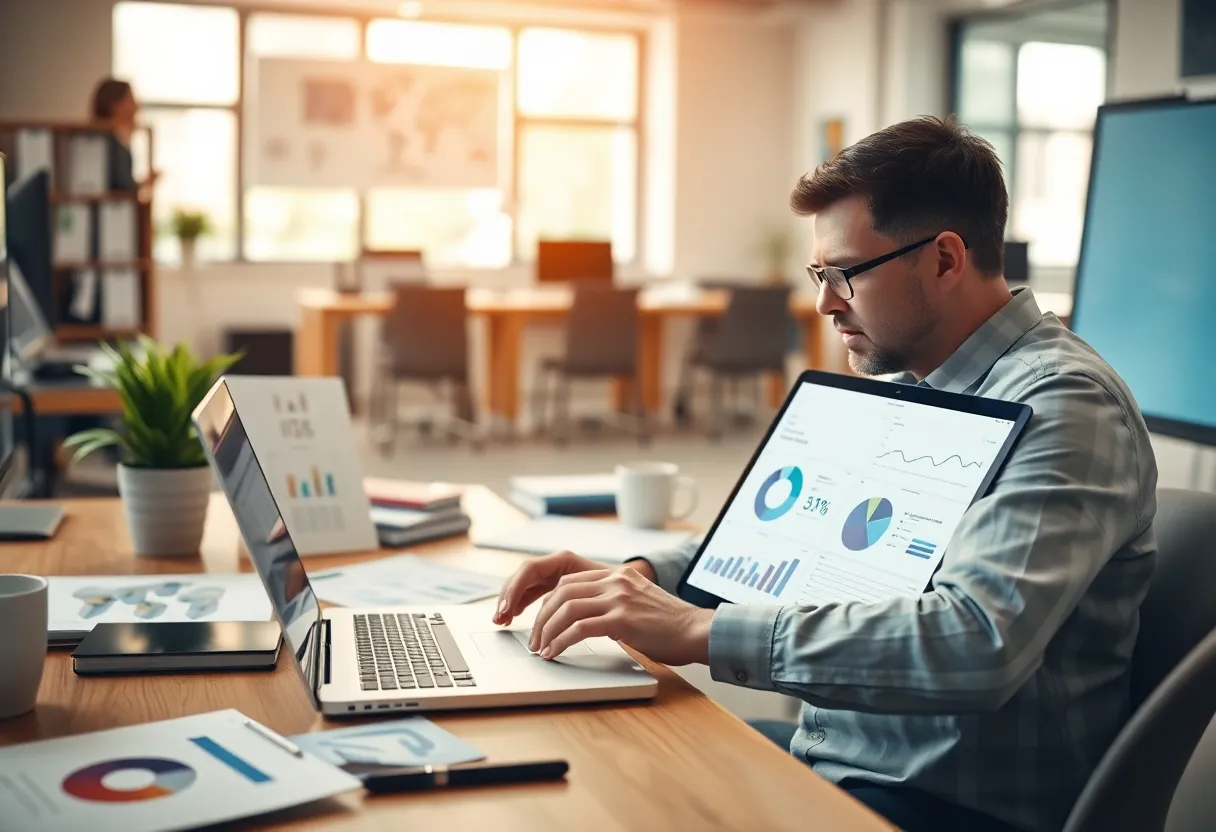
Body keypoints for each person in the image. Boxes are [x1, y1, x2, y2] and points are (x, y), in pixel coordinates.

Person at [492, 115, 1158, 832]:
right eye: (820, 275)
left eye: (845, 275)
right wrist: (636, 577)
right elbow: (774, 548)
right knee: (592, 770)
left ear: (943, 259)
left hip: (943, 803)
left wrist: (699, 631)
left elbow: (975, 642)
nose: (823, 303)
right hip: (841, 755)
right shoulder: (912, 379)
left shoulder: (1063, 404)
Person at [89, 77, 156, 195]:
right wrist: (144, 183)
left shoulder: (115, 140)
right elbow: (121, 185)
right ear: (114, 105)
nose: (136, 107)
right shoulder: (103, 141)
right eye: (130, 100)